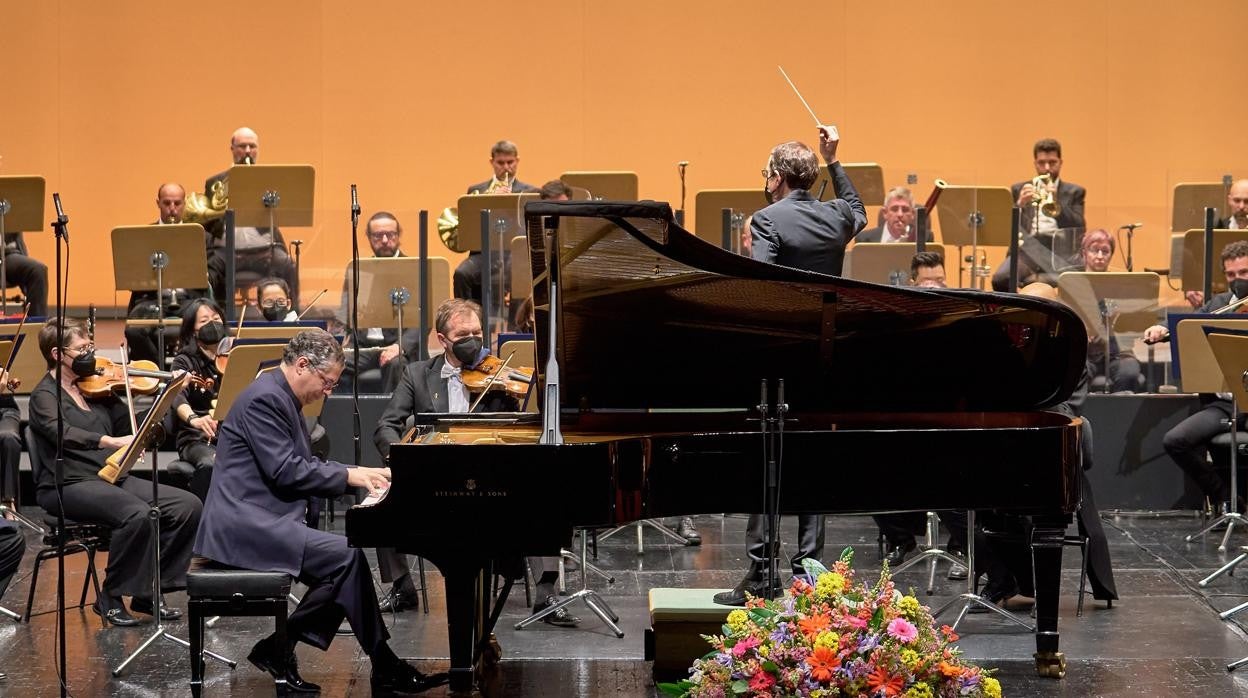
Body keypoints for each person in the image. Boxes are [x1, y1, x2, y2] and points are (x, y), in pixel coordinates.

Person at [194, 329, 445, 693]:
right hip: (241, 524)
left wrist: (363, 473)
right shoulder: (265, 398)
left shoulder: (281, 394)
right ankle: (380, 664)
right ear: (302, 365)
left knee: (346, 566)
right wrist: (352, 475)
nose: (327, 391)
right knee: (346, 559)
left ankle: (285, 648)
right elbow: (286, 470)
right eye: (327, 383)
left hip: (261, 517)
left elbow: (300, 462)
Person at [715, 125, 866, 607]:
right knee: (812, 462)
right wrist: (835, 159)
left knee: (768, 461)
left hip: (777, 359)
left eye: (766, 172)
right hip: (826, 356)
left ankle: (761, 573)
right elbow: (859, 210)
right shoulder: (837, 217)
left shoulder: (766, 220)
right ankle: (809, 574)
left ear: (777, 177)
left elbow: (764, 287)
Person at [369, 299, 580, 625]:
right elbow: (386, 425)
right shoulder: (417, 374)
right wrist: (400, 457)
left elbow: (521, 430)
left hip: (491, 478)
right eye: (463, 334)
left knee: (543, 487)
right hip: (434, 477)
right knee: (380, 492)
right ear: (442, 339)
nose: (473, 340)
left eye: (477, 332)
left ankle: (547, 592)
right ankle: (402, 586)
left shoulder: (500, 375)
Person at [28, 319, 202, 626]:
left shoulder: (99, 389)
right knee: (137, 514)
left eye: (90, 347)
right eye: (82, 349)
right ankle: (110, 596)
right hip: (68, 484)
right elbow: (61, 432)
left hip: (111, 477)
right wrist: (106, 441)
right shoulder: (44, 396)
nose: (89, 354)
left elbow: (129, 425)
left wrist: (167, 392)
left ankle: (149, 589)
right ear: (57, 354)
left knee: (187, 506)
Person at [1148, 241, 1248, 508]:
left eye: (1244, 272)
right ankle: (1224, 497)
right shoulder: (1218, 304)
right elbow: (1185, 327)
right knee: (1175, 440)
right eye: (1231, 275)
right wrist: (1160, 330)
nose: (1237, 280)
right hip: (1223, 405)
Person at [204, 127, 297, 304]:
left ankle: (292, 313)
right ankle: (215, 314)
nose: (247, 151)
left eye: (252, 146)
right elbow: (209, 220)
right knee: (210, 271)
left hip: (261, 250)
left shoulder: (269, 182)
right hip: (226, 251)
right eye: (242, 146)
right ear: (232, 149)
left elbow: (281, 215)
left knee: (287, 265)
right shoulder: (215, 183)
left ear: (257, 149)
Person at [124, 183, 211, 365]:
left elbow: (213, 269)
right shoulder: (144, 236)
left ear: (184, 203)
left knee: (204, 325)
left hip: (188, 299)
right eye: (167, 203)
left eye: (177, 203)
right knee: (133, 330)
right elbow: (133, 276)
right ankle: (157, 372)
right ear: (158, 203)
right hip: (151, 300)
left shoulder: (199, 235)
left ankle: (189, 367)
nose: (172, 209)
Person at [337, 211, 422, 393]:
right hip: (363, 346)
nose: (384, 240)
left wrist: (400, 346)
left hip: (396, 345)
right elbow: (345, 312)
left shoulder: (413, 268)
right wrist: (338, 340)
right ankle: (340, 419)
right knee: (332, 364)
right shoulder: (359, 268)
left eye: (390, 234)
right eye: (377, 235)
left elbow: (424, 320)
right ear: (368, 237)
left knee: (396, 365)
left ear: (398, 236)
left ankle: (391, 420)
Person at [992, 138, 1087, 291]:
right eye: (1042, 163)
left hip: (1060, 251)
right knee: (1001, 278)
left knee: (1076, 284)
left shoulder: (1074, 192)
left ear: (1060, 162)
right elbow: (1009, 228)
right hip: (1028, 248)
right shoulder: (1019, 189)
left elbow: (1079, 226)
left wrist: (1058, 203)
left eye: (1052, 162)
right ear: (1035, 163)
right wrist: (1020, 205)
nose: (1047, 168)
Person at [454, 141, 540, 309]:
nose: (506, 167)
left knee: (518, 272)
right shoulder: (476, 191)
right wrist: (490, 199)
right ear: (492, 162)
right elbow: (470, 227)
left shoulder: (530, 192)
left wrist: (508, 202)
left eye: (510, 162)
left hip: (514, 254)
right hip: (484, 254)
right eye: (501, 163)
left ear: (517, 161)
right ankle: (465, 318)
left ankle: (516, 327)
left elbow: (529, 226)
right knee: (461, 273)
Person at [169, 299, 227, 501]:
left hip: (232, 433)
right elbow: (176, 395)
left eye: (216, 318)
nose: (212, 323)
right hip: (197, 437)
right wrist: (194, 418)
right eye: (204, 320)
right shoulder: (184, 360)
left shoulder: (235, 353)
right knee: (212, 463)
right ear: (193, 330)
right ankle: (203, 518)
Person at [1077, 229, 1143, 393]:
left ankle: (1121, 416)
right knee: (1074, 372)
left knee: (1129, 372)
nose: (1100, 255)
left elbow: (1130, 321)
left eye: (1105, 251)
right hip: (1084, 351)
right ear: (1084, 253)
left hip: (1116, 350)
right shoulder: (1072, 283)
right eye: (1094, 250)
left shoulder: (1120, 284)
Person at [855, 186, 934, 243]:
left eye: (905, 210)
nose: (900, 214)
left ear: (912, 214)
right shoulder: (864, 239)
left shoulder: (925, 238)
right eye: (894, 209)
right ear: (885, 213)